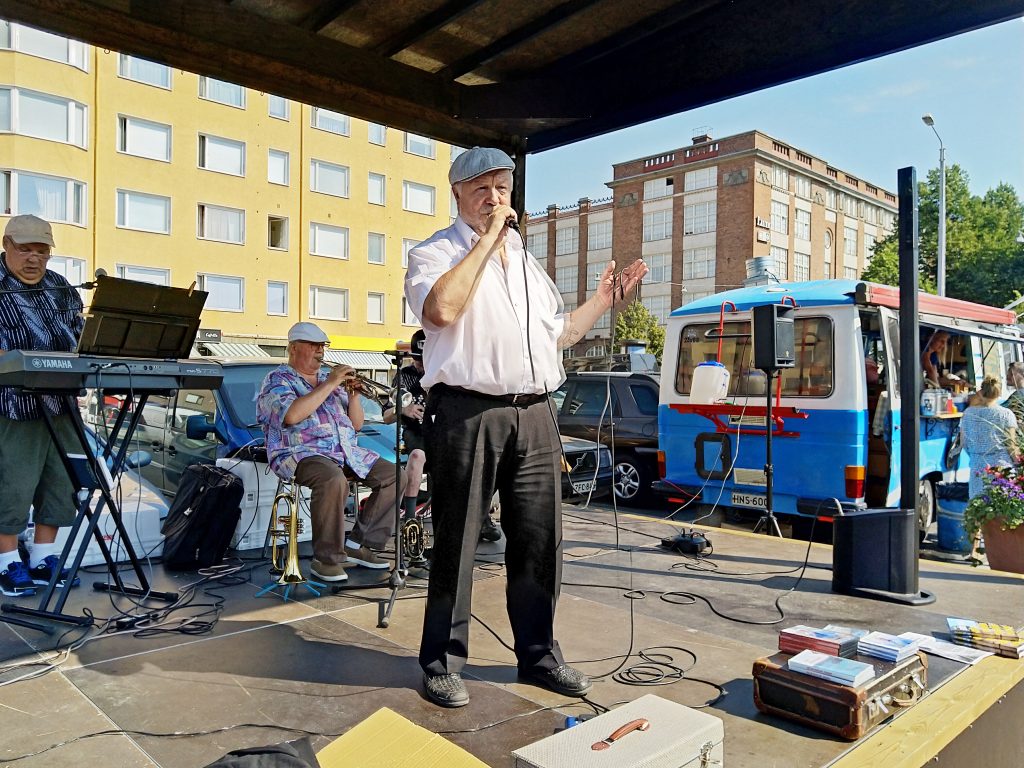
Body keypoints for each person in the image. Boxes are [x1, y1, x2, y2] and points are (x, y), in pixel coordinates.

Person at [405, 146, 647, 707]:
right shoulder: (434, 252)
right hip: (468, 411)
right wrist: (487, 242)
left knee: (540, 541)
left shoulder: (528, 264)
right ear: (458, 194)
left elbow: (557, 337)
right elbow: (439, 312)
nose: (495, 199)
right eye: (483, 189)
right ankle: (441, 661)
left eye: (503, 189)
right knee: (457, 543)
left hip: (535, 413)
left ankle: (538, 655)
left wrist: (601, 303)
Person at [257, 322, 414, 583]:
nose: (320, 351)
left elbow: (355, 425)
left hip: (344, 452)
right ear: (294, 348)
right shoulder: (277, 380)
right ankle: (326, 558)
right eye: (314, 346)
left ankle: (358, 545)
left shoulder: (326, 382)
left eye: (322, 346)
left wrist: (353, 396)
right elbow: (292, 415)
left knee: (395, 475)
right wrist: (331, 383)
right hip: (301, 453)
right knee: (332, 479)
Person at [0, 215, 84, 597]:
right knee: (12, 483)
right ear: (7, 245)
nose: (34, 258)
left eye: (42, 251)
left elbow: (81, 337)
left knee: (60, 480)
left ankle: (42, 556)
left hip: (62, 402)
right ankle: (6, 563)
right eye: (25, 249)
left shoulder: (62, 287)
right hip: (12, 405)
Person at [384, 328, 501, 542]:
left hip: (447, 433)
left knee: (479, 460)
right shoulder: (406, 376)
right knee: (418, 455)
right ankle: (411, 519)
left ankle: (481, 518)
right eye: (416, 360)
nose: (419, 365)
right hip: (417, 432)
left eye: (424, 360)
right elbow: (386, 416)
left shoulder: (447, 374)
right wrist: (403, 409)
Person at [961, 375, 1019, 500]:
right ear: (999, 393)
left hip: (978, 468)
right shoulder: (1006, 414)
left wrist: (976, 455)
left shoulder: (968, 413)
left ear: (981, 391)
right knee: (1003, 512)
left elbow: (964, 443)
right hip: (1002, 469)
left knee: (979, 511)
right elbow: (1011, 446)